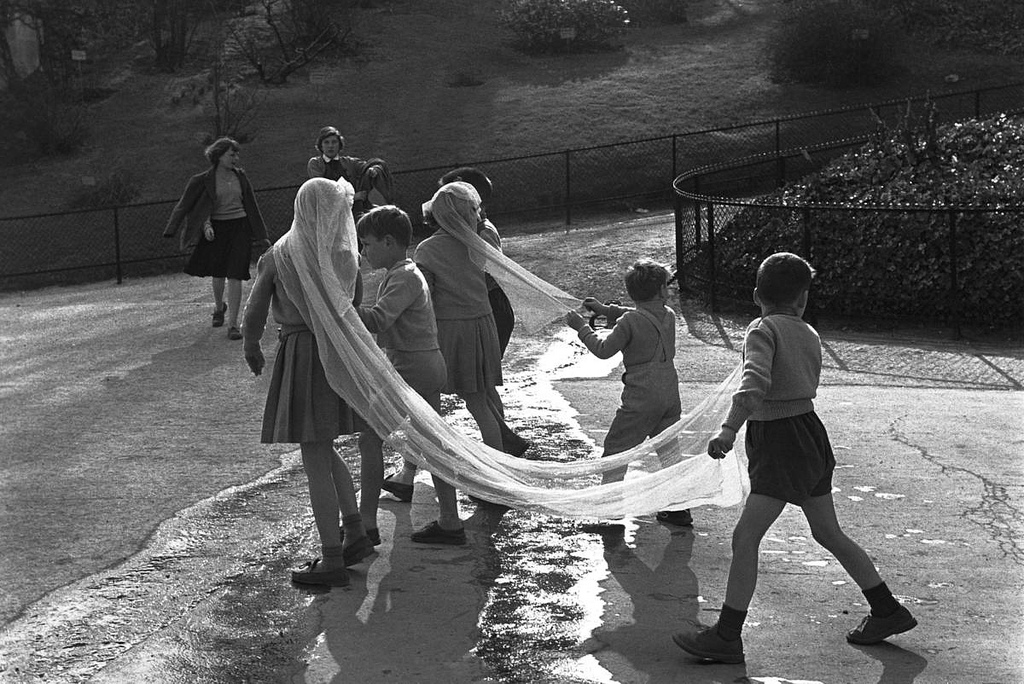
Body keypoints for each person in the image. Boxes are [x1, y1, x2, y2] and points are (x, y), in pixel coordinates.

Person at [672, 252, 917, 664]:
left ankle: (728, 635)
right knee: (827, 532)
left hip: (781, 441)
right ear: (803, 298)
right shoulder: (807, 331)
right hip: (810, 435)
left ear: (755, 295)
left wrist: (729, 428)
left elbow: (755, 381)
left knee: (745, 537)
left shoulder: (762, 329)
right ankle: (887, 609)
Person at [241, 177, 374, 587]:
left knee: (313, 456)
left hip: (301, 353)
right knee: (324, 444)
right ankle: (354, 532)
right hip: (337, 351)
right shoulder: (343, 254)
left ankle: (332, 558)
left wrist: (251, 345)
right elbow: (354, 303)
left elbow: (255, 307)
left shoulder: (280, 254)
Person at [381, 182, 506, 505]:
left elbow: (427, 292)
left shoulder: (428, 250)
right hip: (482, 324)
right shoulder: (478, 242)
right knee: (480, 402)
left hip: (452, 331)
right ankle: (497, 477)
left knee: (431, 405)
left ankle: (412, 475)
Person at [354, 205, 464, 545]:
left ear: (388, 242)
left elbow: (380, 319)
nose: (363, 251)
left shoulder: (403, 276)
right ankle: (449, 520)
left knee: (370, 439)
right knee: (432, 445)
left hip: (412, 367)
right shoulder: (404, 271)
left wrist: (339, 307)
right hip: (422, 364)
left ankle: (366, 524)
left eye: (367, 243)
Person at [565, 259, 692, 527]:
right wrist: (605, 310)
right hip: (669, 394)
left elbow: (603, 349)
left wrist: (582, 328)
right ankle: (680, 508)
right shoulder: (668, 315)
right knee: (669, 450)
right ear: (660, 292)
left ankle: (610, 509)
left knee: (616, 449)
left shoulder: (630, 322)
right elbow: (637, 314)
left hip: (641, 398)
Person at [164, 137, 271, 340]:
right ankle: (219, 306)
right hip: (217, 228)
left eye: (236, 154)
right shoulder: (203, 180)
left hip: (239, 227)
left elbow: (252, 207)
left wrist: (262, 235)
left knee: (236, 274)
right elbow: (186, 206)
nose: (236, 158)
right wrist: (194, 227)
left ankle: (233, 325)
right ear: (219, 156)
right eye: (231, 154)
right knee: (219, 273)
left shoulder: (241, 177)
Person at [306, 126, 388, 221]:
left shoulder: (349, 162)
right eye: (326, 142)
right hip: (328, 215)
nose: (330, 146)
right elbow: (322, 190)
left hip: (353, 213)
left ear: (340, 145)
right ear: (321, 146)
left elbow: (367, 166)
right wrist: (353, 197)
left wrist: (372, 171)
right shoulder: (315, 163)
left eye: (334, 142)